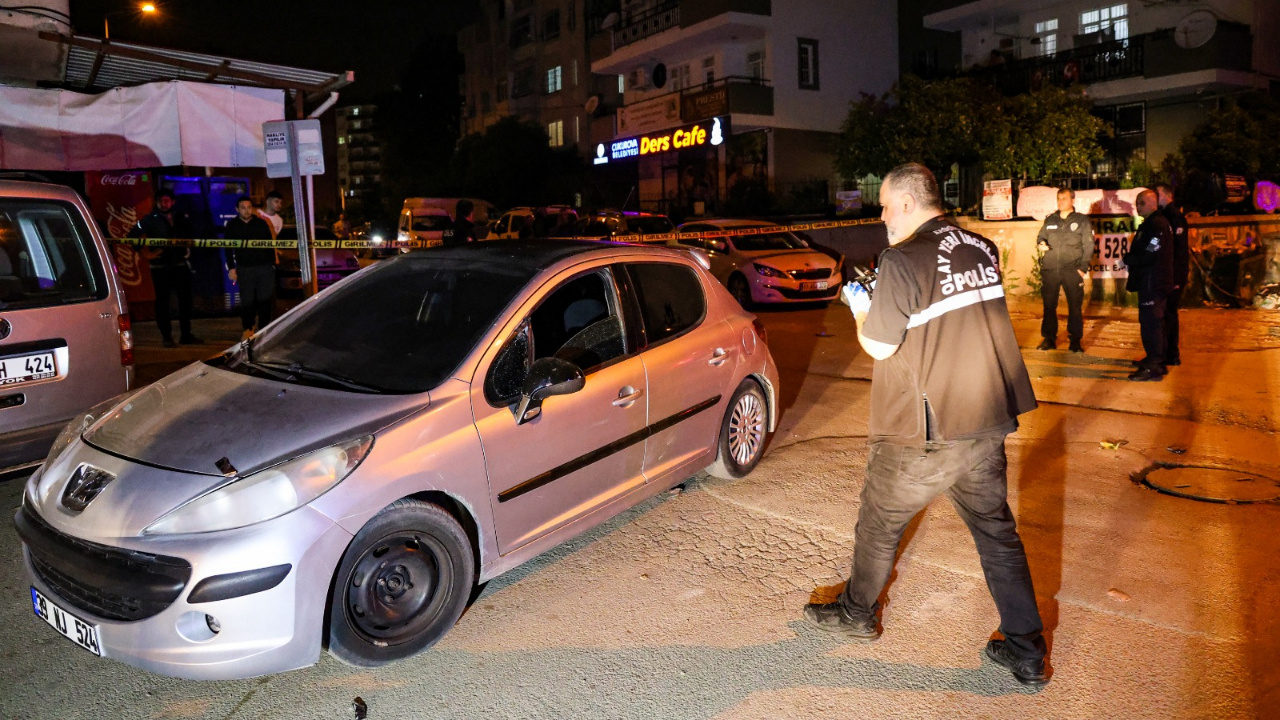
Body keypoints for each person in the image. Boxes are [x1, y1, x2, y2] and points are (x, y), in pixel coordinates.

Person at [804, 163, 1048, 688]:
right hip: (985, 418)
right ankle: (1026, 651)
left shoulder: (903, 257)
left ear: (910, 203)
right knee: (996, 534)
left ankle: (855, 613)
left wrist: (860, 307)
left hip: (927, 429)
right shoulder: (980, 248)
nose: (883, 216)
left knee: (879, 521)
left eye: (887, 206)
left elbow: (879, 345)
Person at [130, 190, 202, 348]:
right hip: (160, 267)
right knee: (162, 304)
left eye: (167, 200)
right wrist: (145, 253)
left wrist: (187, 248)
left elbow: (191, 235)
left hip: (180, 265)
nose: (164, 203)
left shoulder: (180, 217)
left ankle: (186, 335)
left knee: (186, 302)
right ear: (156, 202)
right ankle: (167, 337)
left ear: (173, 202)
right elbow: (132, 235)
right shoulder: (149, 219)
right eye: (161, 201)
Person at [1123, 190, 1175, 381]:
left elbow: (1151, 252)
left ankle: (1154, 366)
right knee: (1150, 322)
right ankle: (1154, 359)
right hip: (1149, 281)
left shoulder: (1158, 225)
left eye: (1142, 203)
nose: (1138, 206)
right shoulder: (1150, 224)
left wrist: (1129, 259)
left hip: (1153, 283)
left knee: (1152, 324)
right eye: (1137, 203)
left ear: (1153, 203)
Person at [1035, 188, 1094, 352]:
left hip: (1072, 270)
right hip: (1050, 269)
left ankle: (1075, 341)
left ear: (1072, 200)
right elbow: (1041, 237)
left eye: (1064, 198)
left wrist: (1082, 269)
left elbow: (1088, 245)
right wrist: (1041, 244)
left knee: (1074, 307)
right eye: (1058, 198)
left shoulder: (1081, 220)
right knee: (1049, 306)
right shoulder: (1050, 219)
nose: (1060, 201)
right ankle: (1049, 339)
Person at [224, 196, 276, 341]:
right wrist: (231, 269)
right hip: (245, 269)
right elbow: (228, 248)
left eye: (249, 207)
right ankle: (248, 329)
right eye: (243, 207)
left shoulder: (261, 223)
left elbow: (269, 245)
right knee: (247, 301)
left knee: (264, 301)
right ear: (237, 209)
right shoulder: (232, 225)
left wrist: (272, 265)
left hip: (264, 268)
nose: (247, 210)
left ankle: (265, 329)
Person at [1156, 184, 1189, 367]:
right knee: (1166, 315)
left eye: (1159, 194)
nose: (1157, 197)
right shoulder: (1166, 216)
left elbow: (1179, 251)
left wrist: (1175, 279)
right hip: (1171, 274)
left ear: (1168, 196)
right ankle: (1168, 353)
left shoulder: (1173, 216)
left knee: (1169, 314)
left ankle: (1171, 354)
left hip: (1174, 276)